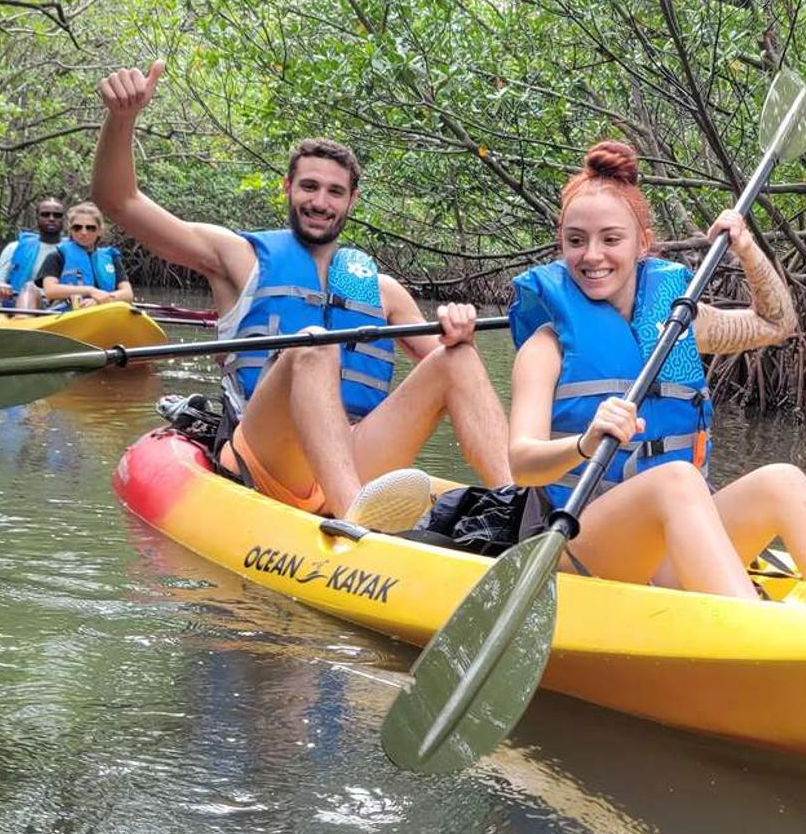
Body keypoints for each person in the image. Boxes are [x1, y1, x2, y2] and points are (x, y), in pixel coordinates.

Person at [89, 61, 510, 524]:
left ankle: (513, 503)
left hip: (356, 452)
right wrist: (122, 118)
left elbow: (450, 372)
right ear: (288, 189)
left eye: (334, 191)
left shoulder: (383, 292)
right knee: (313, 345)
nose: (320, 202)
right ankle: (355, 517)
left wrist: (460, 329)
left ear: (351, 201)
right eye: (309, 187)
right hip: (268, 456)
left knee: (460, 358)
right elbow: (121, 202)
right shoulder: (238, 258)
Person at [506, 141, 806, 609]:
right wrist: (584, 443)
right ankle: (753, 636)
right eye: (575, 240)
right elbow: (522, 463)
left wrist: (747, 251)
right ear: (561, 244)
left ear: (642, 244)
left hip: (669, 554)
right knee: (677, 479)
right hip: (583, 546)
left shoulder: (679, 325)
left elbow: (777, 324)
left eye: (611, 239)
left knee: (782, 480)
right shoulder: (545, 347)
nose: (592, 256)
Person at [35, 202, 135, 309]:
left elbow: (128, 294)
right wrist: (90, 290)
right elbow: (51, 291)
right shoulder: (57, 256)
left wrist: (100, 300)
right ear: (71, 230)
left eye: (90, 228)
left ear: (100, 231)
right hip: (66, 313)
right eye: (77, 227)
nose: (83, 232)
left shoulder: (112, 258)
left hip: (103, 311)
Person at [0, 198, 66, 309]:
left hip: (60, 310)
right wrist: (1, 287)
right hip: (21, 306)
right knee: (29, 287)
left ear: (64, 219)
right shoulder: (13, 248)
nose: (51, 219)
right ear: (37, 218)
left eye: (57, 215)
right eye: (45, 214)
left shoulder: (76, 251)